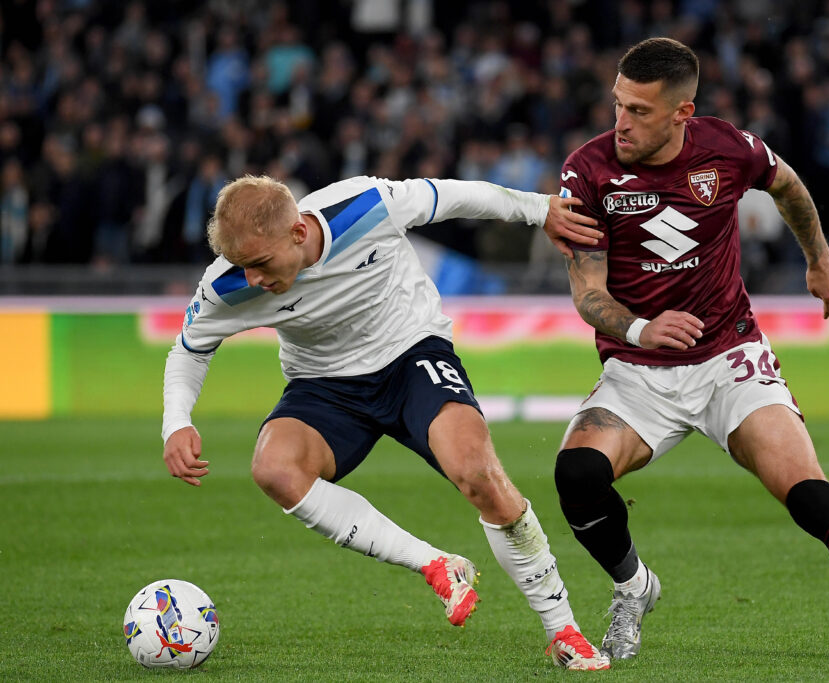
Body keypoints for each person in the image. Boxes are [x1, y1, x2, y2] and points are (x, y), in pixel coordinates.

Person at [553, 37, 829, 669]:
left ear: (682, 113)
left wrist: (818, 258)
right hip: (638, 370)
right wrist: (639, 330)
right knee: (576, 475)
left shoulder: (728, 149)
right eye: (618, 105)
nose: (620, 124)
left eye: (639, 112)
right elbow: (587, 292)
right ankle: (633, 586)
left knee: (814, 500)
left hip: (730, 360)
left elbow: (788, 186)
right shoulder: (588, 170)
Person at [161, 173, 611, 670]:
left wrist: (539, 209)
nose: (252, 280)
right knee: (275, 468)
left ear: (297, 233)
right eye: (241, 266)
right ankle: (436, 565)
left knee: (478, 475)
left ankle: (562, 628)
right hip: (324, 384)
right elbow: (188, 351)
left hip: (411, 356)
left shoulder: (365, 206)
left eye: (260, 264)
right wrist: (176, 421)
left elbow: (458, 196)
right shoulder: (227, 286)